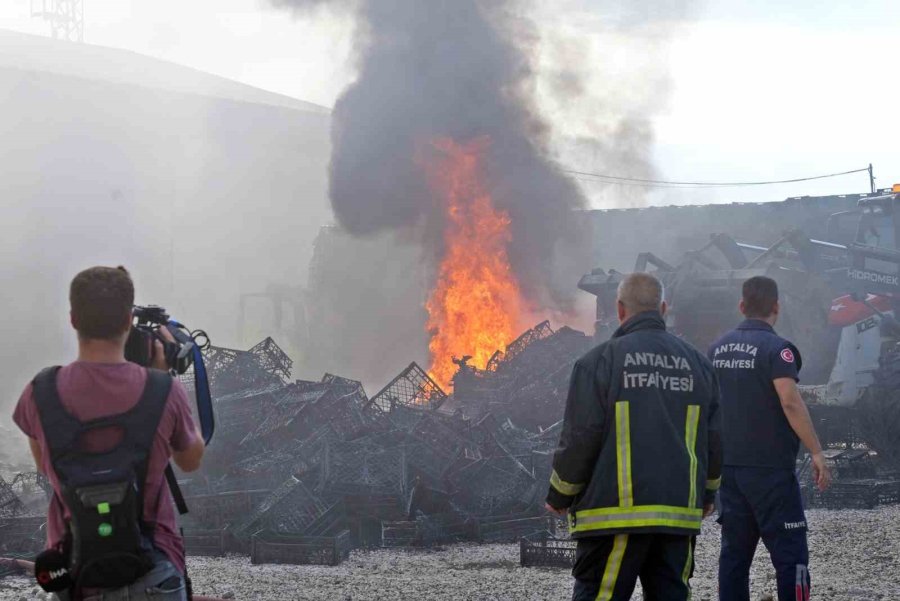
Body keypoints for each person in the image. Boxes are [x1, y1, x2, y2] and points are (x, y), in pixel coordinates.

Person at [12, 266, 205, 600]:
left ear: (73, 319)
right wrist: (163, 378)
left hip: (75, 574)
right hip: (154, 571)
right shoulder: (163, 390)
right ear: (129, 320)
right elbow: (190, 459)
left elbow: (47, 467)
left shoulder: (39, 394)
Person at [546, 272, 722, 601]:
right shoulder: (699, 365)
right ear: (664, 308)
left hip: (614, 518)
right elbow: (713, 438)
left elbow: (581, 436)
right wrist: (708, 494)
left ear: (620, 309)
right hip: (676, 516)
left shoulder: (598, 363)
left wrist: (560, 493)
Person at [709, 275, 832, 601]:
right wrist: (817, 452)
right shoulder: (779, 350)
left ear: (741, 306)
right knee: (791, 556)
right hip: (771, 472)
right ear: (776, 307)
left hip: (731, 471)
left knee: (734, 556)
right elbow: (790, 401)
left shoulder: (716, 349)